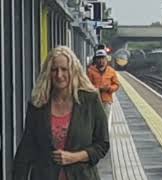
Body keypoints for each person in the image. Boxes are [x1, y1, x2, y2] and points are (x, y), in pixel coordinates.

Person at [13, 46, 109, 180]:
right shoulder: (38, 104)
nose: (59, 75)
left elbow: (102, 143)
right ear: (48, 73)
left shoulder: (90, 100)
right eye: (54, 70)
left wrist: (75, 157)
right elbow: (26, 149)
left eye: (64, 69)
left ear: (73, 71)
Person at [87, 49, 120, 115]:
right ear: (95, 60)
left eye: (103, 58)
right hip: (94, 101)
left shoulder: (111, 71)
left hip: (107, 101)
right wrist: (98, 88)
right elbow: (87, 85)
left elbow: (117, 84)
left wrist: (110, 88)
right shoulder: (90, 71)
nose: (101, 60)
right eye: (99, 58)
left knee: (105, 122)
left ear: (106, 59)